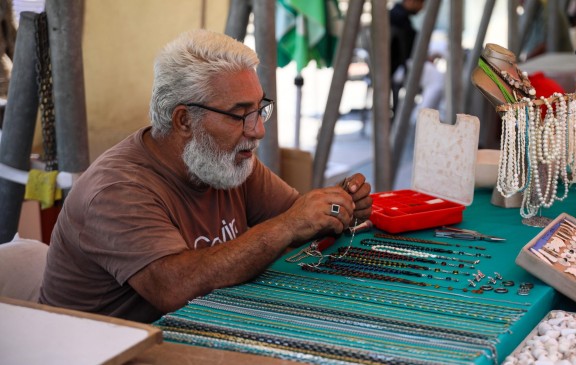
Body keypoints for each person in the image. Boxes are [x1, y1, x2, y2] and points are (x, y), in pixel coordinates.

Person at [39, 30, 373, 323]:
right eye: (239, 115)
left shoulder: (227, 160)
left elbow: (297, 219)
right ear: (184, 121)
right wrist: (288, 224)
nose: (257, 130)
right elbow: (175, 287)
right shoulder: (116, 191)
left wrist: (334, 207)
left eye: (260, 109)